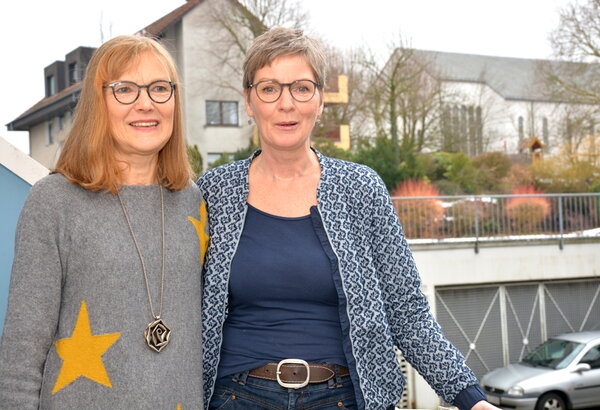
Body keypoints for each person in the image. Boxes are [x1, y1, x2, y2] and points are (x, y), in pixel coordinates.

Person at [198, 27, 498, 410]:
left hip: (346, 398)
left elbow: (406, 310)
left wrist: (470, 398)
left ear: (321, 100)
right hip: (237, 396)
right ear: (249, 100)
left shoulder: (361, 188)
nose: (286, 103)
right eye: (269, 88)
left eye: (301, 88)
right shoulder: (214, 192)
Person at [0, 35, 207, 409]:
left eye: (160, 88)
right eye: (125, 89)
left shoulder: (193, 202)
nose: (146, 103)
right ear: (98, 103)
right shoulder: (54, 201)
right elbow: (22, 348)